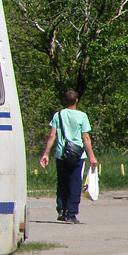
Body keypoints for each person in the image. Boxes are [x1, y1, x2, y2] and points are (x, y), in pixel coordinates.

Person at [38, 90, 98, 223]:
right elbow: (86, 137)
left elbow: (52, 135)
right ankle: (71, 213)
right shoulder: (82, 116)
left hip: (61, 153)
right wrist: (91, 156)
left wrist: (46, 153)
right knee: (75, 182)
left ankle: (61, 209)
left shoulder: (58, 115)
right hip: (77, 154)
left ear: (65, 101)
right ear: (76, 101)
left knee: (62, 182)